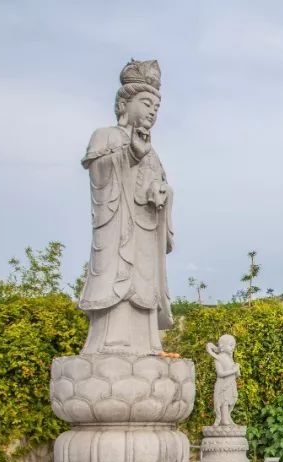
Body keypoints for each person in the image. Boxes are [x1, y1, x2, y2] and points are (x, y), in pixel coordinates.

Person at [78, 59, 174, 355]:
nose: (152, 111)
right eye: (146, 103)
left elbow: (160, 184)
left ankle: (148, 343)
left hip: (146, 233)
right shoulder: (106, 135)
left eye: (156, 107)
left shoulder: (153, 153)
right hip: (118, 229)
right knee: (117, 283)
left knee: (145, 287)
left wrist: (162, 194)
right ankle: (111, 343)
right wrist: (130, 154)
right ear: (124, 103)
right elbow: (99, 173)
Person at [206, 334, 239, 425]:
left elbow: (237, 375)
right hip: (222, 384)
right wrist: (233, 370)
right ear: (222, 346)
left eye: (233, 346)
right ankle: (224, 420)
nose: (232, 348)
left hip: (231, 383)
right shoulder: (218, 358)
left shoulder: (230, 359)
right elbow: (220, 374)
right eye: (231, 345)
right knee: (224, 400)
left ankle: (228, 417)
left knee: (229, 400)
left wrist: (236, 370)